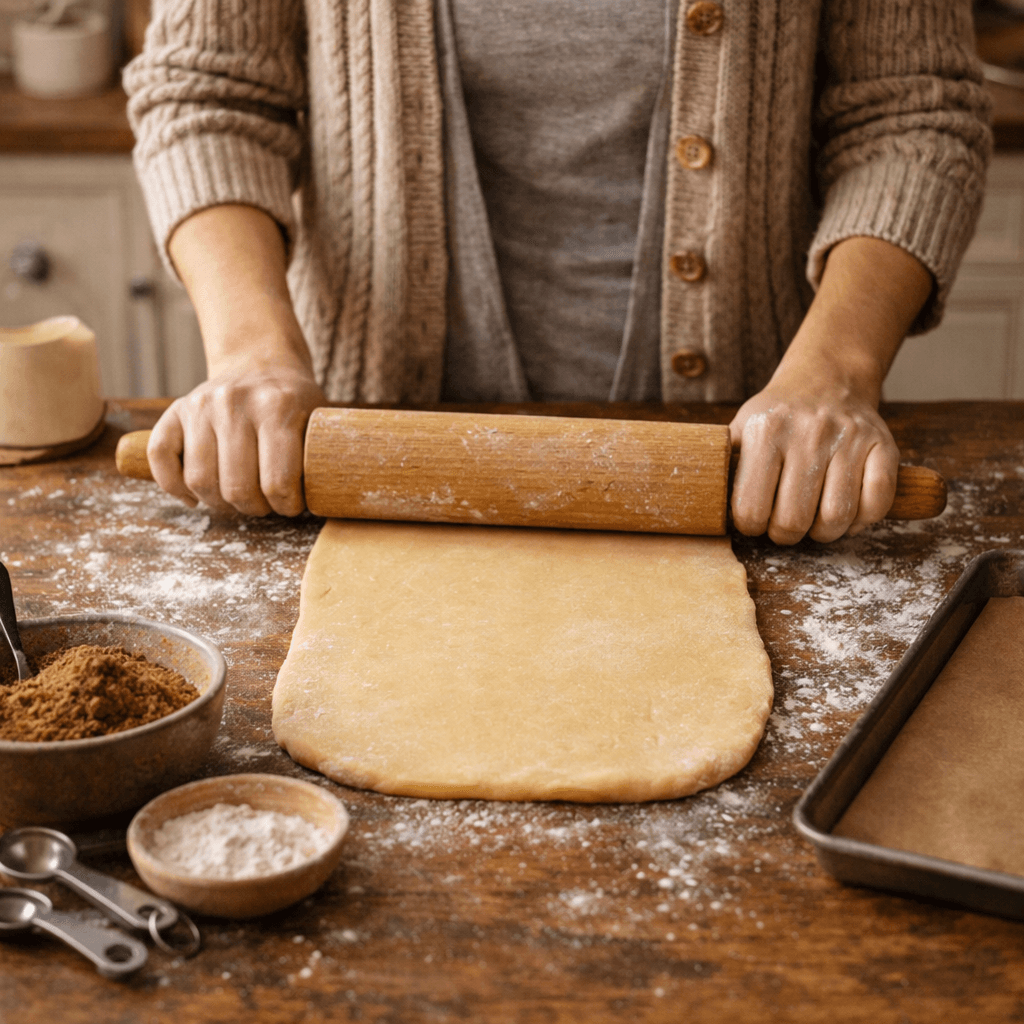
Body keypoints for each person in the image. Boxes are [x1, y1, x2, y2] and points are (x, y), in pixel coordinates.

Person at [123, 0, 991, 544]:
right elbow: (211, 96)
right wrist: (251, 355)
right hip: (366, 449)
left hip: (746, 458)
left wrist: (832, 375)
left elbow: (912, 114)